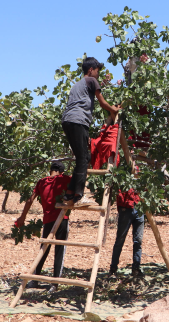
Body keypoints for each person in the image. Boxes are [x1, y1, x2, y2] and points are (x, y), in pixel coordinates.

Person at [59, 57, 121, 208]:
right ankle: (79, 196)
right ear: (90, 70)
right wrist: (114, 109)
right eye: (97, 71)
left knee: (84, 157)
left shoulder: (77, 84)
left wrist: (103, 85)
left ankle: (69, 193)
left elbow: (91, 95)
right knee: (82, 158)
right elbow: (102, 102)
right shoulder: (92, 81)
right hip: (78, 121)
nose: (98, 75)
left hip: (68, 121)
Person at [15, 161, 72, 290]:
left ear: (50, 170)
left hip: (47, 220)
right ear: (62, 172)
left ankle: (35, 280)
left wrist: (22, 217)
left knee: (43, 249)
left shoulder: (42, 182)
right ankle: (55, 283)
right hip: (62, 218)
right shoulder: (66, 179)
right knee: (60, 250)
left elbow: (30, 200)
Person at [109, 188, 145, 278]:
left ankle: (136, 268)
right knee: (120, 239)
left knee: (138, 240)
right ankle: (113, 268)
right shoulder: (124, 175)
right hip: (126, 208)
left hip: (139, 208)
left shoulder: (141, 174)